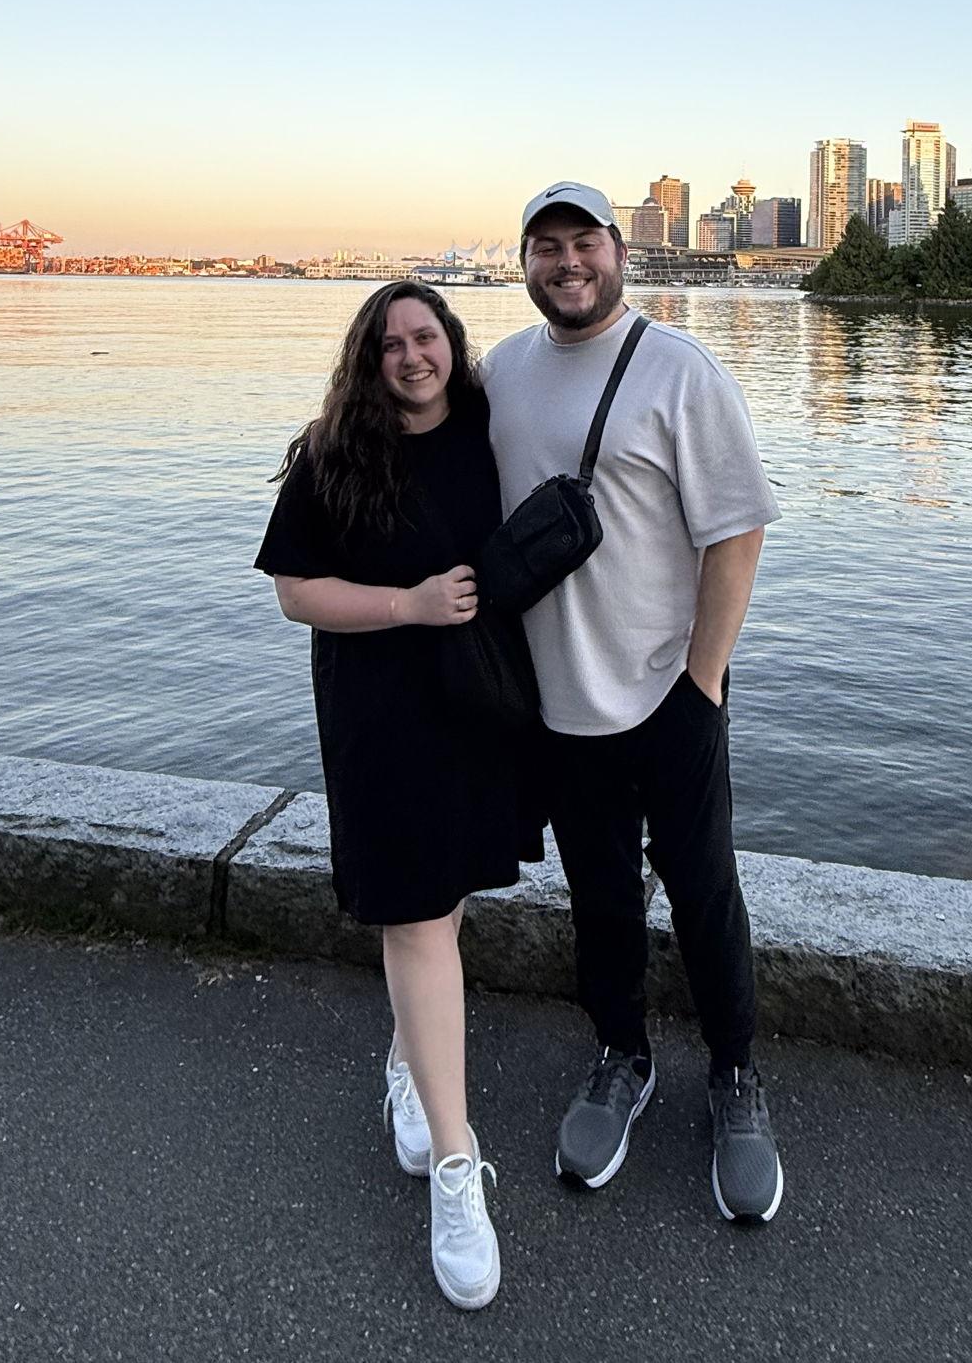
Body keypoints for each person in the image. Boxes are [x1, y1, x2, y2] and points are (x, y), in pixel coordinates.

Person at [479, 181, 785, 1223]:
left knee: (703, 892)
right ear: (524, 263)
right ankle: (621, 1057)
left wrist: (703, 680)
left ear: (619, 250)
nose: (566, 264)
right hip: (558, 703)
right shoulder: (501, 372)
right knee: (599, 898)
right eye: (545, 248)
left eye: (583, 243)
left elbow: (736, 530)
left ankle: (735, 1077)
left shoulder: (677, 369)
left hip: (667, 689)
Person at [254, 280, 539, 1310]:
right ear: (366, 361)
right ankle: (456, 1170)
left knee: (440, 905)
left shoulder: (484, 431)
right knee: (417, 916)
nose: (411, 356)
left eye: (426, 337)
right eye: (389, 344)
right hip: (380, 713)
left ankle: (408, 1062)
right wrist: (408, 604)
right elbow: (294, 591)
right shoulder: (333, 454)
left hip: (476, 705)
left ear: (452, 346)